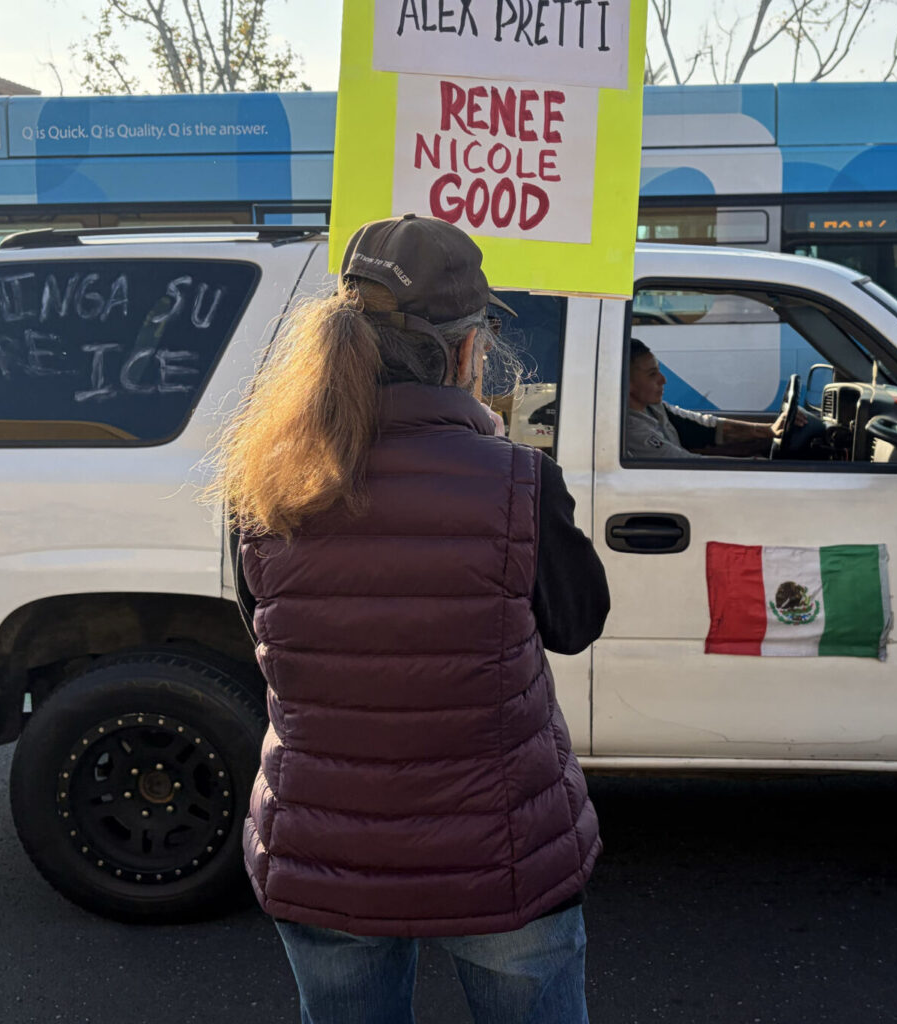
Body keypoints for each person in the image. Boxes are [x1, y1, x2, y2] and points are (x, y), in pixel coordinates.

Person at [212, 214, 608, 1024]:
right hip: (499, 853)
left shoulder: (266, 485)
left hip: (324, 852)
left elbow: (266, 630)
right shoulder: (520, 482)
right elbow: (577, 622)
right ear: (468, 350)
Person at [624, 339, 795, 459]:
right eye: (652, 374)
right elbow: (685, 465)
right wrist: (755, 466)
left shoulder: (654, 408)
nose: (663, 380)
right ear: (626, 383)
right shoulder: (633, 431)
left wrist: (768, 430)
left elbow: (704, 424)